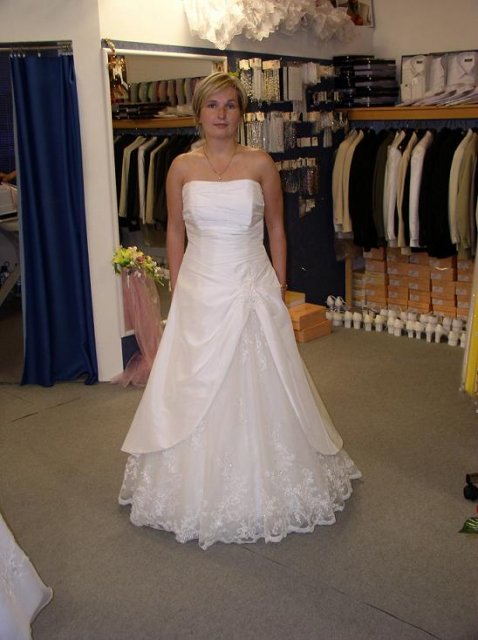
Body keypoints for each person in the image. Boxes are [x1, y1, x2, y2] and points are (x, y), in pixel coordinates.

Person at [118, 72, 361, 550]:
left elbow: (277, 229)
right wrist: (179, 287)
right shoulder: (180, 167)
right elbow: (174, 232)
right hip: (200, 285)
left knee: (261, 378)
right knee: (194, 380)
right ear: (199, 112)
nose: (222, 114)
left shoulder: (261, 163)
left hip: (250, 281)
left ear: (241, 114)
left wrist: (278, 287)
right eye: (213, 105)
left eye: (230, 105)